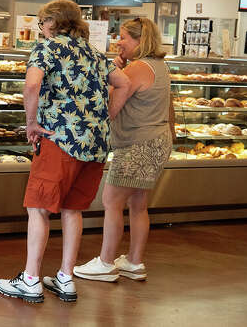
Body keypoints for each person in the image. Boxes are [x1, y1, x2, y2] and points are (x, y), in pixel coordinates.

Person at [0, 0, 130, 304]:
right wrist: (104, 117)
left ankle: (30, 280)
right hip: (94, 145)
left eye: (42, 22)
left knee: (38, 209)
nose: (41, 27)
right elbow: (123, 83)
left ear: (51, 22)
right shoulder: (95, 53)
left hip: (60, 139)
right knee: (73, 209)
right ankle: (66, 278)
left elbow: (32, 86)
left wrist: (31, 123)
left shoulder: (48, 47)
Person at [74, 17, 174, 283]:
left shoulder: (137, 68)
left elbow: (108, 103)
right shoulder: (159, 65)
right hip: (157, 141)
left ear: (140, 41)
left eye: (124, 37)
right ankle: (133, 261)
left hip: (137, 145)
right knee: (138, 204)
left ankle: (106, 263)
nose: (119, 42)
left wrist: (114, 73)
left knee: (111, 201)